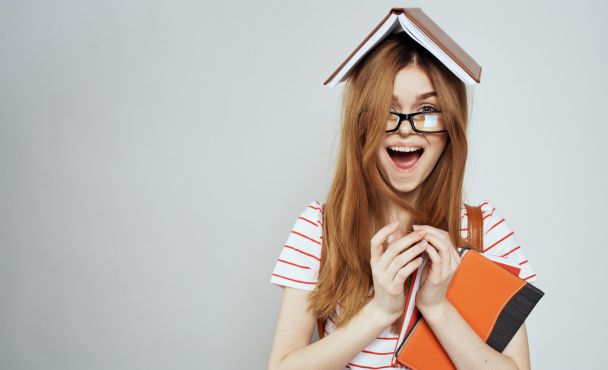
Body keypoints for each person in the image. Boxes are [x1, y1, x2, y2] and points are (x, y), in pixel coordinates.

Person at [268, 31, 536, 370]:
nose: (405, 129)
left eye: (427, 109)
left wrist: (438, 308)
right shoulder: (321, 231)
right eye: (387, 109)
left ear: (451, 126)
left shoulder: (485, 230)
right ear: (361, 124)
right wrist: (380, 311)